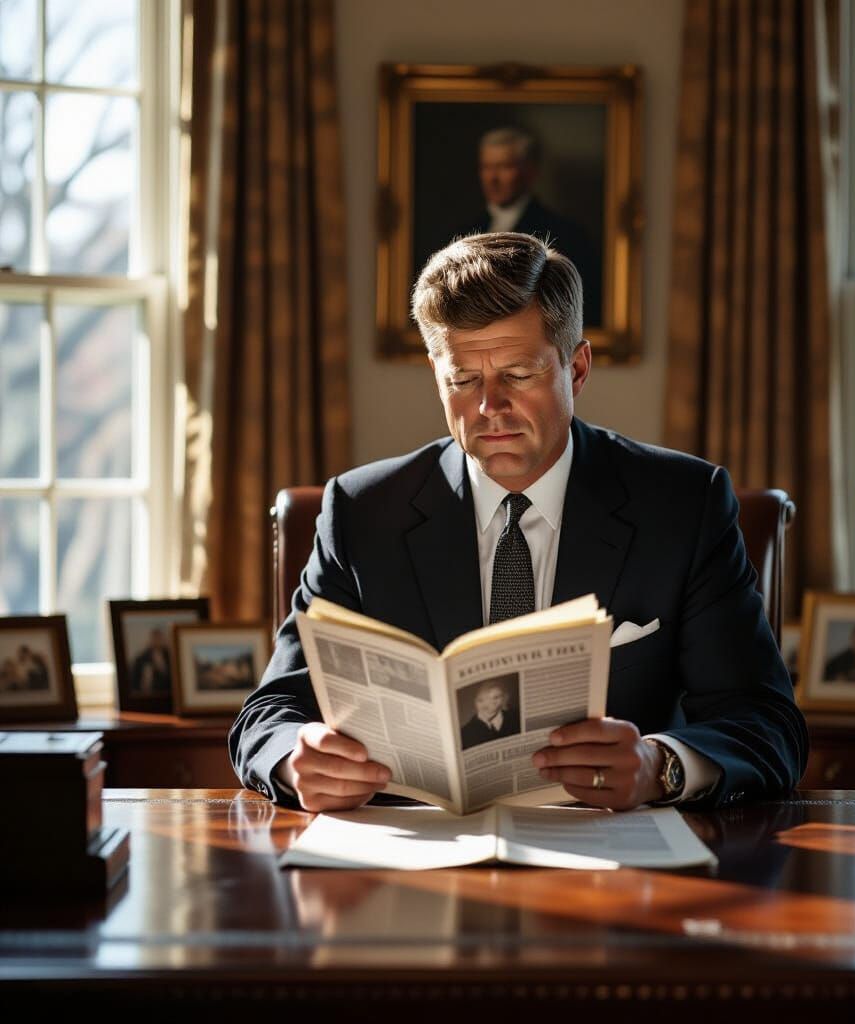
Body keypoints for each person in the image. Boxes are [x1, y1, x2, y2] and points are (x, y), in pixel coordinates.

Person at [229, 231, 807, 813]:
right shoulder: (361, 511)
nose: (489, 408)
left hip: (618, 864)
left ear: (576, 368)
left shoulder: (683, 505)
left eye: (519, 374)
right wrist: (296, 756)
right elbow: (268, 715)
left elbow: (766, 725)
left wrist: (663, 766)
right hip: (414, 860)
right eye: (463, 380)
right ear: (436, 373)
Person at [458, 127, 602, 327]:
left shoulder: (566, 235)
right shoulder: (462, 235)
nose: (493, 178)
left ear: (530, 172)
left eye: (504, 167)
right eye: (486, 167)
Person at [460, 679, 521, 750]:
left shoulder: (516, 716)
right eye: (481, 699)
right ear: (475, 701)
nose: (489, 704)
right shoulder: (465, 732)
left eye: (496, 698)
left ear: (504, 698)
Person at [130, 628, 171, 695]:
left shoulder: (169, 656)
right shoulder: (141, 658)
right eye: (155, 638)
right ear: (151, 639)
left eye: (159, 638)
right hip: (149, 693)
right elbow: (135, 679)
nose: (157, 641)